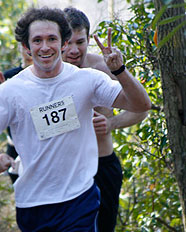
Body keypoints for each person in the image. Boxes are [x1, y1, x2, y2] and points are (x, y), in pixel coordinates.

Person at [0, 7, 151, 231]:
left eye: (52, 39)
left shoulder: (89, 79)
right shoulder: (10, 90)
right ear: (27, 47)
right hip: (33, 201)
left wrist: (120, 70)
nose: (45, 46)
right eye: (37, 40)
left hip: (80, 196)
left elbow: (141, 105)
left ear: (63, 43)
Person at [62, 7, 149, 232]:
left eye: (79, 42)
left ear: (89, 40)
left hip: (101, 165)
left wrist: (112, 123)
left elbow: (142, 108)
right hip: (63, 169)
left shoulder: (104, 67)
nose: (73, 49)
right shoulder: (48, 76)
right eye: (67, 42)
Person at [0, 45, 33, 183]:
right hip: (15, 146)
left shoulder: (49, 75)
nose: (28, 52)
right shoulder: (8, 77)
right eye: (24, 47)